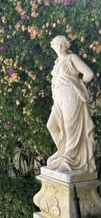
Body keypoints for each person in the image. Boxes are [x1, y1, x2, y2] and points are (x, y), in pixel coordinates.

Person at [46, 35, 96, 173]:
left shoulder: (72, 58)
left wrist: (78, 85)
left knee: (70, 128)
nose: (57, 47)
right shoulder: (57, 62)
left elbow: (88, 74)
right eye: (55, 45)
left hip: (71, 97)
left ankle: (69, 160)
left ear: (65, 45)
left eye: (59, 44)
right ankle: (62, 153)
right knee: (51, 125)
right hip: (58, 99)